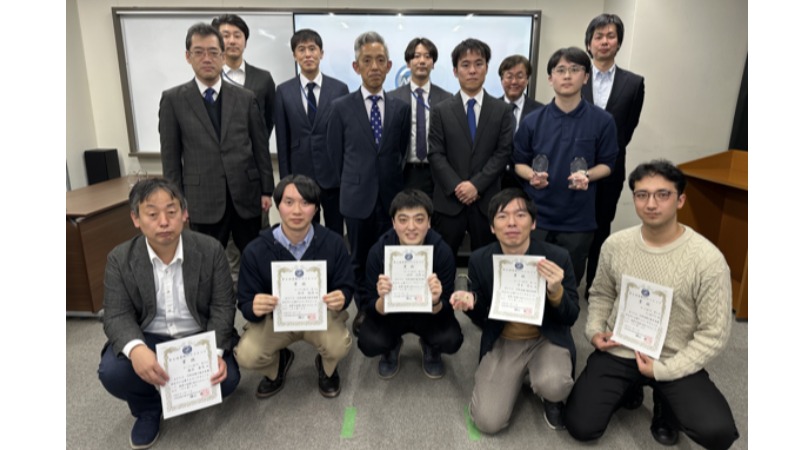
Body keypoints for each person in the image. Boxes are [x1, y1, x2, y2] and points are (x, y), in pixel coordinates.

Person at [564, 161, 739, 449]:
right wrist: (594, 330)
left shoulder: (707, 259)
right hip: (620, 347)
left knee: (717, 433)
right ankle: (629, 386)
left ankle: (664, 403)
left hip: (672, 355)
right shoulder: (615, 245)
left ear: (680, 200)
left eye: (663, 194)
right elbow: (602, 294)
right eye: (642, 195)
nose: (651, 204)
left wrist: (664, 371)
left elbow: (714, 333)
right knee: (581, 425)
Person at [98, 178, 240, 449]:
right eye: (152, 214)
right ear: (136, 219)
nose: (164, 222)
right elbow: (116, 314)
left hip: (197, 336)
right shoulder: (120, 258)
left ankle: (182, 394)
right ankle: (148, 409)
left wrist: (215, 352)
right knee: (113, 372)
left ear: (184, 214)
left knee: (229, 379)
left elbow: (223, 307)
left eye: (172, 212)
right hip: (149, 337)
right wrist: (136, 349)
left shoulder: (210, 250)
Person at [451, 188, 579, 433]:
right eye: (502, 216)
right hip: (504, 340)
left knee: (556, 385)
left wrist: (556, 291)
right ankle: (519, 376)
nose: (511, 222)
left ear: (533, 223)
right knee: (487, 422)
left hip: (545, 338)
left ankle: (546, 393)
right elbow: (483, 318)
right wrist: (471, 303)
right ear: (492, 227)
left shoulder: (557, 257)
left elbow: (571, 316)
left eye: (520, 215)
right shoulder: (480, 259)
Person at [234, 175, 355, 399]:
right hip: (276, 320)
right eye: (289, 202)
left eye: (305, 203)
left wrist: (342, 296)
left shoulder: (333, 243)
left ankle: (327, 369)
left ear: (316, 208)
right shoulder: (256, 250)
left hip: (319, 317)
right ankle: (277, 365)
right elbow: (245, 301)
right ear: (277, 205)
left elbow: (346, 285)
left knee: (338, 345)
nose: (297, 211)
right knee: (247, 355)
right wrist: (253, 307)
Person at [160, 23, 274, 255]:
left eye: (213, 52)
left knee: (256, 257)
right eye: (199, 52)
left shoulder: (245, 98)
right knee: (206, 261)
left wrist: (266, 190)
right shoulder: (173, 100)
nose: (207, 58)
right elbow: (170, 159)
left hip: (246, 195)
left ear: (222, 56)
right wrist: (176, 202)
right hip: (202, 200)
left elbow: (260, 147)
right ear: (188, 56)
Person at [327, 31, 411, 336]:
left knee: (390, 256)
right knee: (359, 259)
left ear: (389, 66)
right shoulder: (340, 107)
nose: (374, 66)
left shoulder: (401, 108)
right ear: (356, 66)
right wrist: (355, 182)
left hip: (390, 197)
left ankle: (389, 304)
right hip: (356, 197)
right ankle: (365, 308)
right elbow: (335, 155)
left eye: (380, 60)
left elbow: (401, 151)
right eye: (367, 60)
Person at [513, 47, 618, 286]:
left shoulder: (602, 120)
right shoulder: (532, 120)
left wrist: (587, 175)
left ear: (586, 77)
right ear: (550, 78)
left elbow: (608, 165)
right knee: (530, 283)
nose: (567, 76)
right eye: (560, 70)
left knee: (567, 286)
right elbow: (519, 163)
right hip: (537, 218)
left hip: (578, 221)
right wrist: (532, 176)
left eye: (574, 69)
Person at [357, 190, 463, 379]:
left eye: (419, 219)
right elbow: (369, 306)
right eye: (403, 220)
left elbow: (448, 309)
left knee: (451, 339)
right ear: (393, 223)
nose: (411, 227)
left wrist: (436, 301)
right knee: (368, 341)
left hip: (428, 316)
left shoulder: (442, 252)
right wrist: (382, 300)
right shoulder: (378, 252)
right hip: (391, 315)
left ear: (429, 222)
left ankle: (431, 346)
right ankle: (391, 346)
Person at [428, 38, 515, 260]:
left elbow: (503, 152)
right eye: (465, 65)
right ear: (455, 71)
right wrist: (458, 187)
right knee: (442, 262)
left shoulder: (503, 110)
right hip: (449, 202)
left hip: (486, 201)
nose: (472, 70)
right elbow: (436, 153)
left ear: (486, 68)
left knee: (486, 262)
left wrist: (476, 185)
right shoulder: (440, 110)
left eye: (478, 63)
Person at [582, 13, 645, 297]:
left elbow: (627, 129)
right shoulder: (576, 77)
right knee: (573, 226)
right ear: (589, 43)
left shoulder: (634, 83)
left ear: (618, 42)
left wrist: (608, 153)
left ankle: (594, 286)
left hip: (612, 167)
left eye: (610, 36)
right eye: (599, 36)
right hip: (575, 167)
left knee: (601, 226)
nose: (604, 42)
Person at [274, 29, 349, 235]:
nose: (307, 54)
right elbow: (282, 140)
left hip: (333, 176)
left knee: (335, 231)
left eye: (312, 49)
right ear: (294, 55)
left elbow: (345, 138)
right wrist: (286, 182)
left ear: (321, 53)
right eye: (301, 49)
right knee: (305, 231)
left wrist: (345, 176)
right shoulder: (283, 91)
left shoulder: (339, 89)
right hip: (300, 176)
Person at [387, 38, 452, 199]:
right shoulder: (392, 98)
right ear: (408, 63)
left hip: (436, 174)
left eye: (427, 56)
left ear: (433, 63)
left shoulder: (446, 99)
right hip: (404, 172)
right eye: (416, 56)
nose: (422, 61)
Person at [212, 14, 276, 141]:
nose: (232, 41)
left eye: (237, 36)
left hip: (253, 151)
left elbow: (269, 118)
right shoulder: (210, 78)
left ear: (245, 42)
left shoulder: (263, 78)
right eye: (226, 36)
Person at [497, 54, 544, 190]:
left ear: (527, 79)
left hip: (528, 183)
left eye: (520, 76)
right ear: (502, 79)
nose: (514, 81)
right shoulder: (490, 109)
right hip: (495, 182)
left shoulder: (540, 111)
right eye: (509, 76)